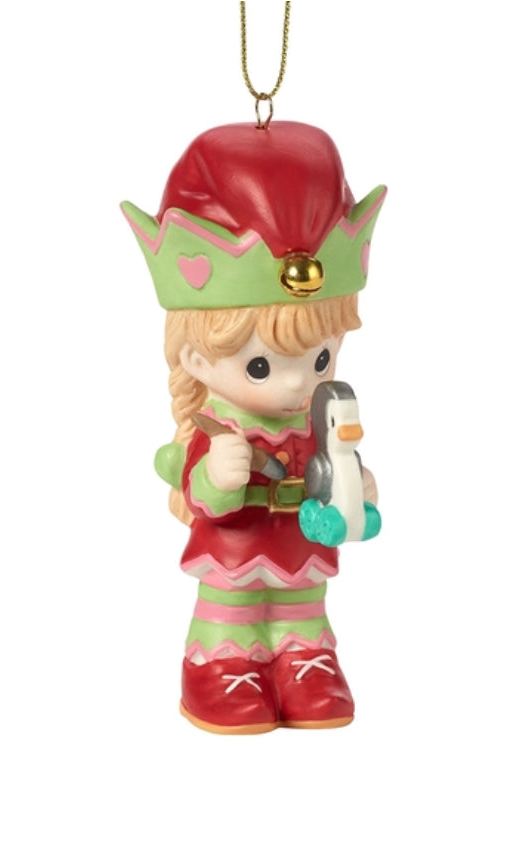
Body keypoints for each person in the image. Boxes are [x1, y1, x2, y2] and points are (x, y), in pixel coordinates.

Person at [122, 120, 386, 733]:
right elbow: (199, 494)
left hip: (300, 539)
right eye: (261, 365)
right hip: (237, 546)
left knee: (302, 603)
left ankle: (305, 659)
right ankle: (221, 664)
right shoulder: (216, 429)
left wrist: (357, 487)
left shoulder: (318, 417)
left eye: (320, 358)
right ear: (195, 358)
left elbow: (334, 470)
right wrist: (217, 477)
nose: (297, 384)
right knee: (234, 601)